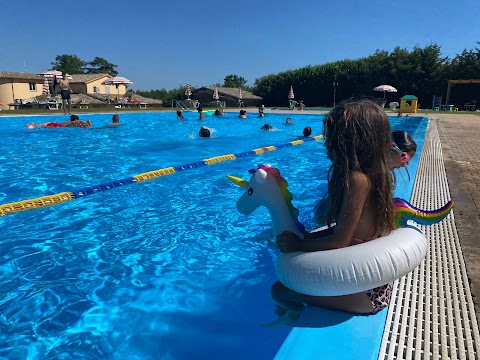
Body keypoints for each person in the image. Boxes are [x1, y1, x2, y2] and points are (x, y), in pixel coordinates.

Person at [270, 100, 398, 326]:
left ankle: (290, 320)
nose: (327, 142)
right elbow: (349, 230)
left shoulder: (356, 179)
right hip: (376, 286)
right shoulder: (379, 175)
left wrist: (298, 246)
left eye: (332, 135)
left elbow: (340, 241)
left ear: (349, 141)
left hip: (365, 296)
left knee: (280, 290)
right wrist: (307, 237)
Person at [314, 130, 417, 225]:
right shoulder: (365, 176)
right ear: (392, 148)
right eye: (405, 158)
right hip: (325, 218)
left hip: (326, 214)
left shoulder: (377, 173)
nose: (405, 165)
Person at [25, 114, 92, 129]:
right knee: (46, 126)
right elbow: (81, 123)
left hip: (57, 124)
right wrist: (88, 123)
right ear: (76, 120)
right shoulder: (75, 122)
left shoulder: (66, 122)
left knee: (45, 124)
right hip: (58, 126)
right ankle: (32, 126)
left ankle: (33, 125)